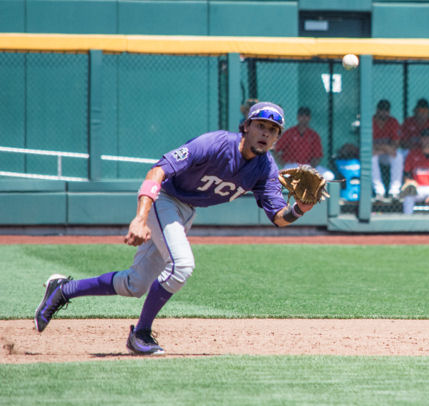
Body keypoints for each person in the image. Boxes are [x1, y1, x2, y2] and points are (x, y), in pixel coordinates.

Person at [34, 102, 316, 355]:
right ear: (246, 127)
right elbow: (157, 170)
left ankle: (63, 290)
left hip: (186, 212)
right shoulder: (215, 143)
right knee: (182, 265)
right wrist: (140, 219)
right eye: (260, 126)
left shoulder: (266, 168)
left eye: (272, 129)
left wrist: (301, 208)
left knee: (135, 284)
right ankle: (141, 333)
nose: (265, 133)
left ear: (278, 138)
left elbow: (278, 217)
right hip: (164, 200)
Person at [273, 106, 335, 180]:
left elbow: (318, 156)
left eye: (306, 116)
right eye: (301, 115)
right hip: (292, 165)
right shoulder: (289, 133)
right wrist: (283, 164)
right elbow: (275, 150)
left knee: (329, 176)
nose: (304, 118)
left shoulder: (314, 135)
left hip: (308, 166)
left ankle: (318, 191)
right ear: (298, 117)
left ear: (309, 118)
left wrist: (309, 169)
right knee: (285, 176)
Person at [371, 99, 403, 199]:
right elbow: (367, 145)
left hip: (385, 154)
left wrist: (382, 149)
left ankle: (394, 191)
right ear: (377, 110)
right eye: (382, 110)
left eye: (386, 110)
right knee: (372, 158)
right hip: (375, 153)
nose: (384, 112)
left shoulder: (392, 121)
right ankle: (379, 191)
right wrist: (385, 147)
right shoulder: (370, 121)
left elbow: (396, 143)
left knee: (398, 157)